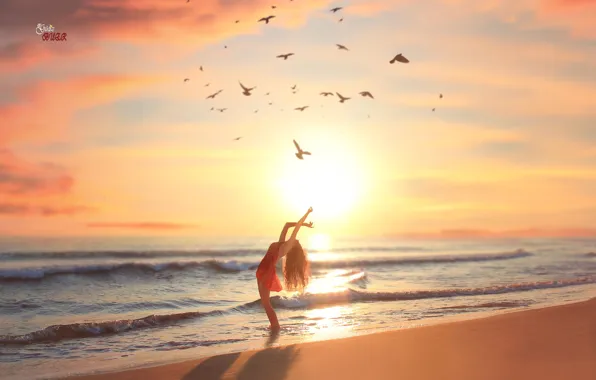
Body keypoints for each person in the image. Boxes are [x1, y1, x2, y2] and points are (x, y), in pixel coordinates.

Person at [256, 207, 313, 331]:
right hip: (262, 269)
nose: (296, 240)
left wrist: (307, 214)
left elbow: (296, 229)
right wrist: (304, 224)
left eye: (297, 242)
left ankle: (275, 327)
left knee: (266, 303)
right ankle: (274, 326)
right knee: (264, 303)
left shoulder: (287, 246)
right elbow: (287, 225)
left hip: (267, 271)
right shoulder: (281, 243)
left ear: (294, 247)